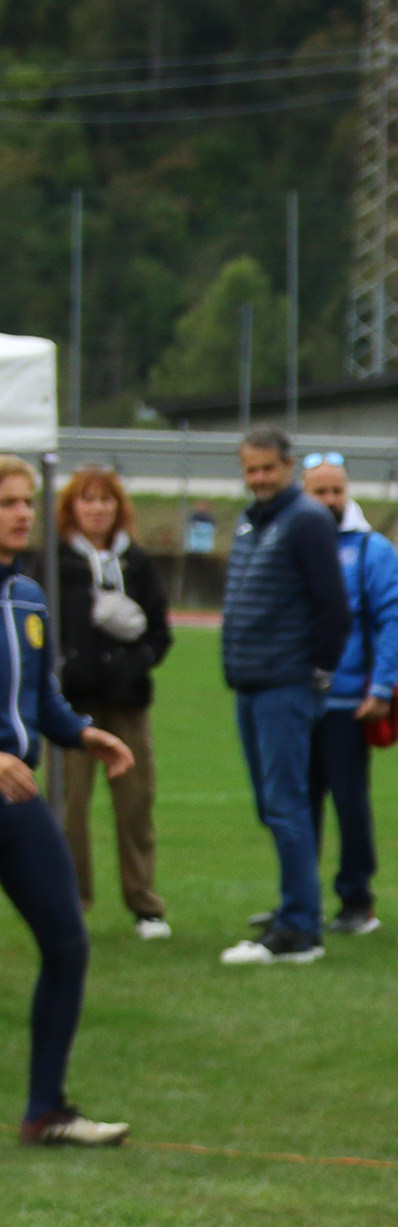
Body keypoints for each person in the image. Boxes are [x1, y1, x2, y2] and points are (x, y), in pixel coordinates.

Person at [0, 454, 138, 1144]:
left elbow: (40, 697)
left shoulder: (28, 594)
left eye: (27, 501)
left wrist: (85, 734)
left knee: (67, 942)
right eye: (8, 502)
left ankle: (45, 1111)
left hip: (16, 801)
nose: (24, 513)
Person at [217, 427, 349, 969]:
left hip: (284, 683)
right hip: (249, 683)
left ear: (288, 466)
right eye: (251, 470)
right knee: (272, 807)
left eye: (268, 468)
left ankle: (299, 928)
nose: (259, 478)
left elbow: (334, 608)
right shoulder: (251, 520)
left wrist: (316, 674)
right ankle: (297, 907)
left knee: (288, 805)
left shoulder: (306, 520)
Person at [50, 466, 174, 941]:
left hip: (128, 704)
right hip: (71, 708)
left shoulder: (136, 562)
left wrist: (138, 661)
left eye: (106, 500)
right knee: (69, 807)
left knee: (136, 803)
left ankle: (145, 905)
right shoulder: (56, 562)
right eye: (88, 499)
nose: (97, 509)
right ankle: (71, 904)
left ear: (119, 508)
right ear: (71, 508)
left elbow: (160, 631)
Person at [297, 452, 398, 935]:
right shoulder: (287, 543)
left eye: (336, 490)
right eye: (319, 492)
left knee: (349, 804)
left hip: (346, 703)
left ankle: (357, 901)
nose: (329, 500)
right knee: (295, 807)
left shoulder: (370, 550)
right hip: (294, 701)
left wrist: (381, 686)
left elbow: (392, 620)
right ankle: (298, 899)